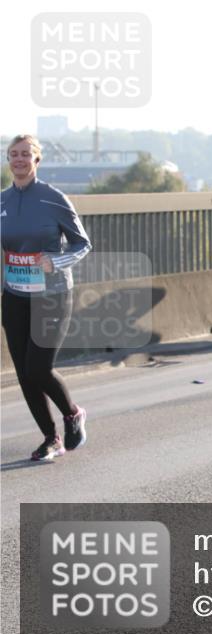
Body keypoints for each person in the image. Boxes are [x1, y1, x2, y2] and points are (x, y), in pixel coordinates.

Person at [1, 135, 91, 461]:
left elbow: (82, 244)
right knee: (24, 373)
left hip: (51, 294)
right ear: (8, 160)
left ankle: (72, 414)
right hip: (13, 297)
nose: (20, 159)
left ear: (37, 160)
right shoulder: (3, 201)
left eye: (26, 154)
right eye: (14, 154)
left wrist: (56, 261)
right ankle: (50, 438)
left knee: (39, 368)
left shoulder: (53, 198)